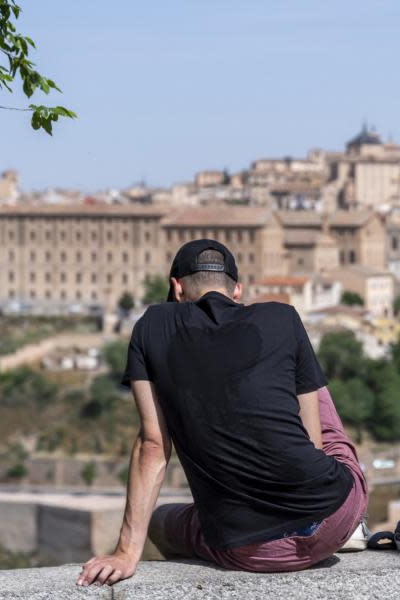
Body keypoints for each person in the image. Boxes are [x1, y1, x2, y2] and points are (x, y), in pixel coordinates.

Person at [77, 239, 368, 587]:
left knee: (160, 521)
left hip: (250, 549)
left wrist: (126, 551)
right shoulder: (282, 316)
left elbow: (153, 446)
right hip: (335, 515)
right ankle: (355, 530)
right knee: (311, 389)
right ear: (237, 291)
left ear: (177, 288)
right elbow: (314, 443)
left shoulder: (152, 326)